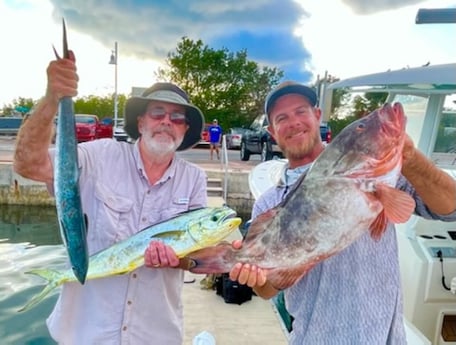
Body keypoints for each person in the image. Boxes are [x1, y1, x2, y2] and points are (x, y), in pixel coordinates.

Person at [229, 81, 456, 344]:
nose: (294, 122)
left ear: (317, 116)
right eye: (282, 117)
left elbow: (450, 210)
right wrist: (254, 275)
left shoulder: (382, 172)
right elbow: (267, 289)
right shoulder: (269, 203)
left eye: (301, 111)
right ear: (272, 131)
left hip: (386, 338)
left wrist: (410, 156)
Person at [13, 50, 208, 345]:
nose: (166, 121)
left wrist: (180, 259)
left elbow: (199, 255)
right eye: (158, 113)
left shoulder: (194, 179)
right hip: (84, 334)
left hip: (155, 336)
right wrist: (53, 99)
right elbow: (28, 164)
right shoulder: (99, 156)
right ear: (141, 122)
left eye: (177, 117)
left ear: (186, 129)